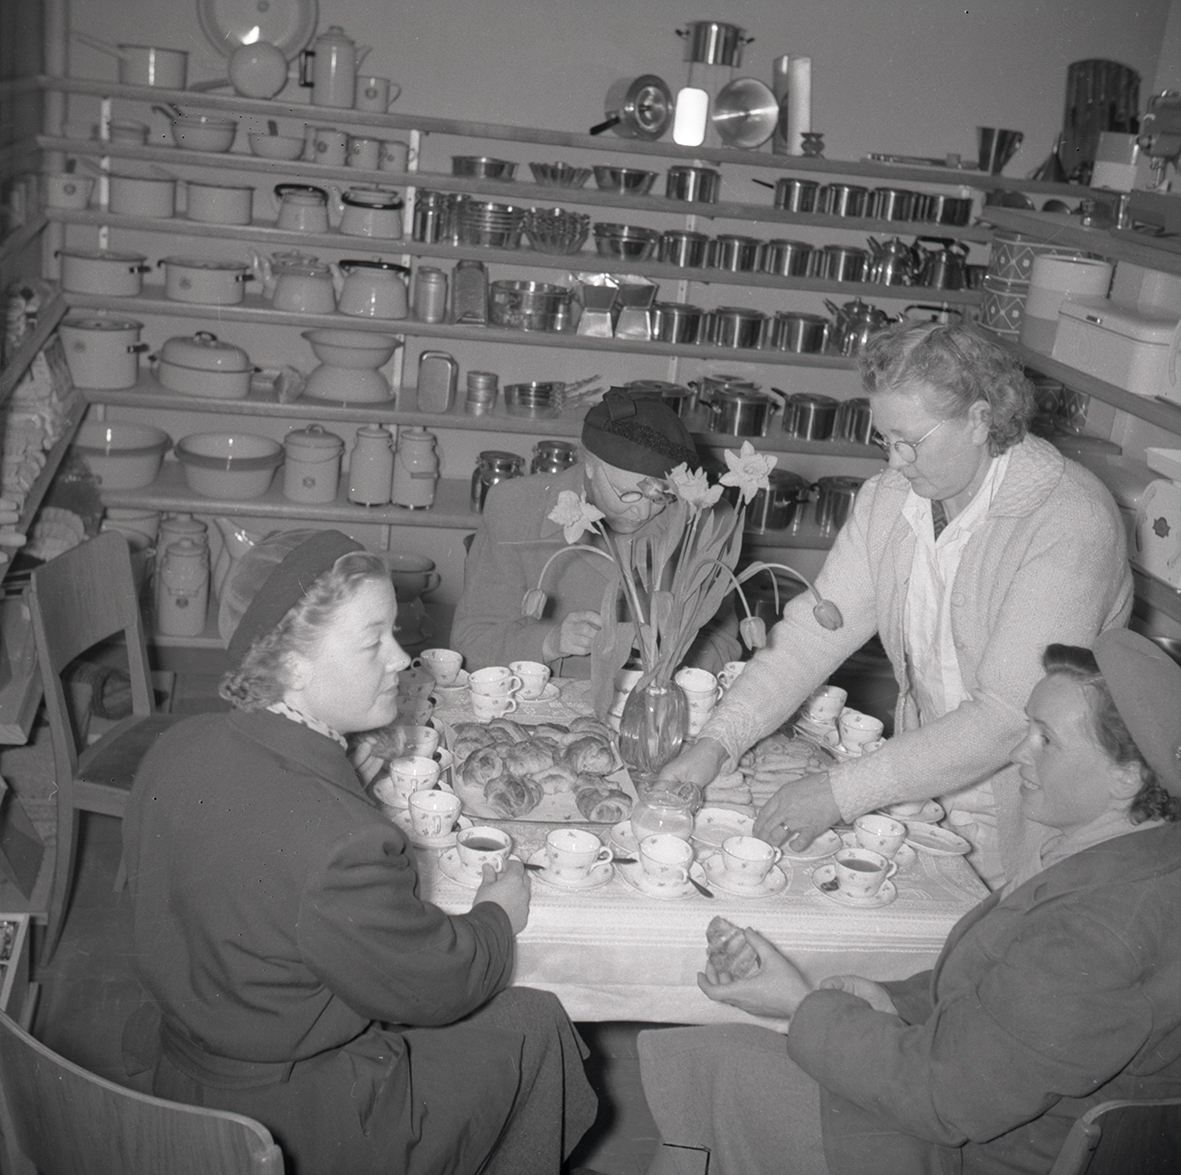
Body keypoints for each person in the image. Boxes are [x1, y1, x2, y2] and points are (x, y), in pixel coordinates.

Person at [121, 529, 596, 1175]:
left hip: (182, 1079)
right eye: (374, 641)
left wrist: (341, 770)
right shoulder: (345, 841)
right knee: (534, 1020)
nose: (401, 659)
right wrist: (495, 916)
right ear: (292, 664)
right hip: (300, 1120)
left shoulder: (179, 744)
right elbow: (434, 986)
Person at [639, 630, 1181, 1175]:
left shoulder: (1100, 929)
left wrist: (798, 1005)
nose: (1019, 751)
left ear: (1127, 777)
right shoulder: (1119, 859)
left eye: (1046, 739)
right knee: (717, 1061)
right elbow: (1000, 1004)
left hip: (969, 1155)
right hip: (969, 1113)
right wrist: (895, 1002)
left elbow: (947, 1099)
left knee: (716, 1069)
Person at [660, 322, 1132, 887]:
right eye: (883, 440)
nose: (895, 461)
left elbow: (1009, 713)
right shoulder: (890, 501)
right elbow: (811, 637)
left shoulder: (1069, 519)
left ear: (979, 420)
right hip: (927, 780)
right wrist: (718, 741)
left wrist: (839, 792)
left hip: (1043, 805)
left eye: (910, 440)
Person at [450, 389, 738, 682]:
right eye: (627, 493)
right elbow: (471, 643)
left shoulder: (702, 524)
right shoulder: (515, 508)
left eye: (660, 496)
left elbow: (724, 643)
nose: (642, 511)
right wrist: (550, 642)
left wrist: (674, 654)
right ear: (588, 465)